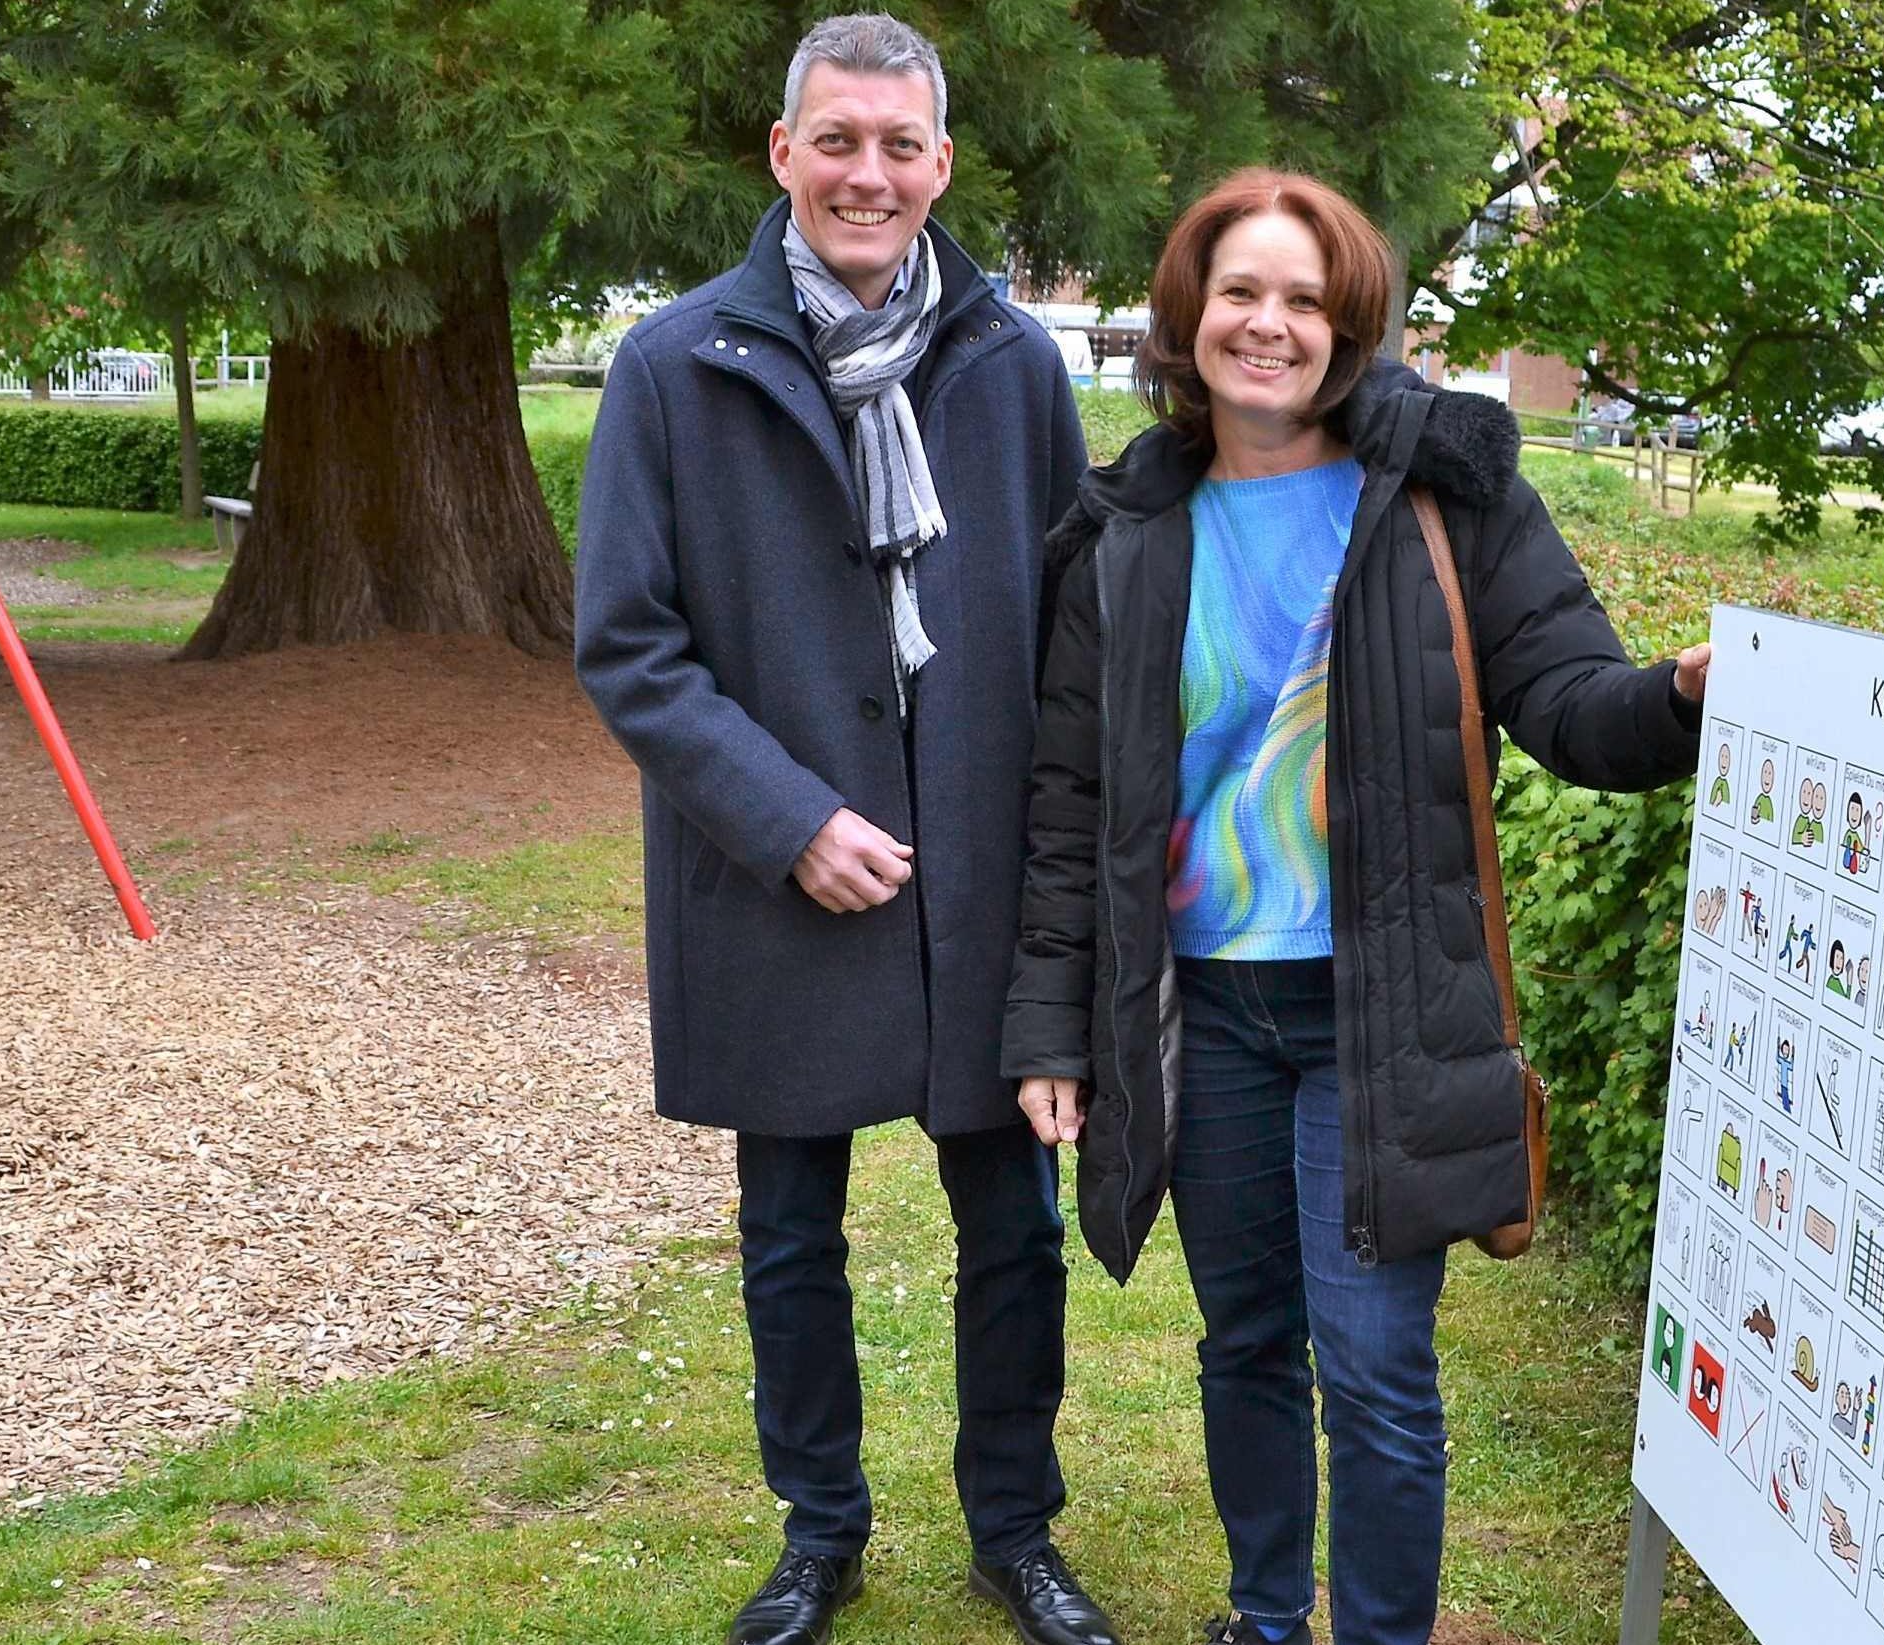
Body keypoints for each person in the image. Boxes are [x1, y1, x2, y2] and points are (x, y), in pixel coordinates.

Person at [1001, 169, 1707, 1645]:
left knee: (1377, 1367)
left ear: (1352, 323)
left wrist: (1682, 699)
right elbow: (1072, 810)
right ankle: (1268, 1619)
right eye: (1242, 291)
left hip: (1378, 1009)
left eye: (1306, 299)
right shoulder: (1127, 529)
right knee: (1245, 1341)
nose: (1270, 324)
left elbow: (1570, 701)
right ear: (1191, 313)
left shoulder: (1446, 497)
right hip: (1209, 1013)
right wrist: (1050, 1026)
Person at [573, 16, 1116, 1645]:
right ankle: (821, 1530)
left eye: (900, 145)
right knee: (788, 1230)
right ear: (783, 154)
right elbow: (629, 643)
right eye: (839, 140)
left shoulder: (1013, 366)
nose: (867, 173)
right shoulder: (678, 365)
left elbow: (1074, 620)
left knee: (1010, 1227)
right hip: (779, 877)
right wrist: (784, 814)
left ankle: (1013, 1529)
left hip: (983, 879)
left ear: (941, 167)